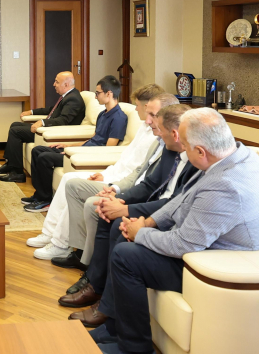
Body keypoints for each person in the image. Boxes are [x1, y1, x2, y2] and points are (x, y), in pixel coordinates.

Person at [88, 109, 259, 354]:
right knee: (122, 235)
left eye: (186, 146)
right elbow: (182, 199)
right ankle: (114, 328)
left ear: (200, 151)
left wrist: (140, 233)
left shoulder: (226, 185)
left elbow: (183, 245)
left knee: (125, 256)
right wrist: (148, 223)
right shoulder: (231, 155)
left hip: (215, 266)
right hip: (203, 247)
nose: (183, 151)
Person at [59, 100, 193, 307]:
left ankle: (106, 301)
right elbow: (149, 183)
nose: (151, 125)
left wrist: (125, 209)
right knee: (106, 214)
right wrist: (119, 199)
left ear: (175, 133)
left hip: (165, 214)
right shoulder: (168, 147)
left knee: (117, 225)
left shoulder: (195, 159)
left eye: (155, 119)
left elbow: (174, 203)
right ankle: (95, 284)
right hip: (153, 205)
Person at [25, 84, 165, 263]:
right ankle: (49, 233)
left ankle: (60, 244)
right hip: (112, 175)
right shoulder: (144, 128)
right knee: (68, 178)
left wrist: (113, 183)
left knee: (73, 185)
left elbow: (137, 172)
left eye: (137, 105)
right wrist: (104, 173)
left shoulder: (156, 136)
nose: (136, 109)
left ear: (147, 107)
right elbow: (124, 159)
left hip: (121, 183)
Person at [22, 75, 129, 212]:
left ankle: (46, 201)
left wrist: (76, 152)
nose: (95, 96)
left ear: (109, 94)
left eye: (98, 93)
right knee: (37, 150)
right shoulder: (102, 114)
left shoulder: (119, 118)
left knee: (45, 158)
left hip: (87, 156)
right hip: (82, 150)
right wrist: (69, 146)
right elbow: (93, 139)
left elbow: (108, 149)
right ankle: (39, 195)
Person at [0, 71, 85, 183]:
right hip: (48, 129)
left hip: (55, 133)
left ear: (66, 84)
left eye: (57, 82)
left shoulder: (73, 99)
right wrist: (31, 112)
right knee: (15, 125)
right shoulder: (67, 96)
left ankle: (17, 173)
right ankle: (11, 164)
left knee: (16, 131)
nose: (54, 84)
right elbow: (51, 110)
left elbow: (63, 120)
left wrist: (42, 122)